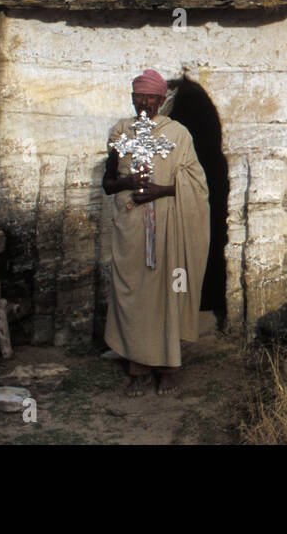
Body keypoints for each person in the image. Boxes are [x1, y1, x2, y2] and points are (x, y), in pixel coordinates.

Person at [102, 70, 209, 397]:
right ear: (132, 98)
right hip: (131, 227)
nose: (144, 103)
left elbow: (197, 186)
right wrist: (129, 184)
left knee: (167, 291)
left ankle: (168, 368)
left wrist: (159, 191)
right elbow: (107, 184)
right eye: (139, 97)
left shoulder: (178, 134)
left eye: (151, 98)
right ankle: (138, 370)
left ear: (162, 101)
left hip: (168, 226)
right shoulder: (122, 131)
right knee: (132, 293)